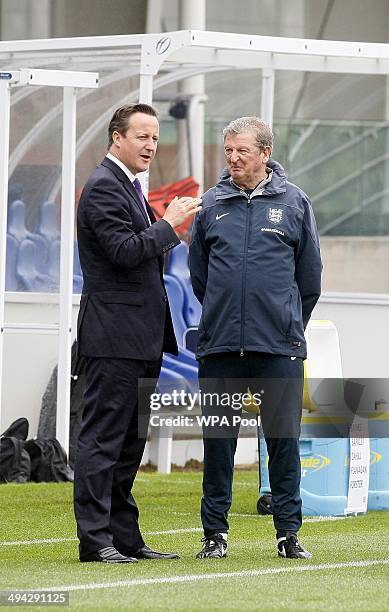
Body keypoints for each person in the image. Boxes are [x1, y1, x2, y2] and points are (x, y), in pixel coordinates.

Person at [189, 116, 322, 560]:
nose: (233, 158)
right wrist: (227, 319)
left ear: (265, 153)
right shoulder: (211, 204)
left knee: (283, 444)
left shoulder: (295, 203)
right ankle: (215, 535)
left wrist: (285, 325)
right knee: (219, 446)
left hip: (278, 348)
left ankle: (288, 533)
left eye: (242, 150)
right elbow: (200, 276)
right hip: (221, 347)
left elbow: (310, 280)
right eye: (228, 150)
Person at [74, 103, 201, 563]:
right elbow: (125, 252)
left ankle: (124, 537)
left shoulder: (129, 187)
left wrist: (166, 227)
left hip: (141, 337)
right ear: (117, 138)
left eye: (155, 136)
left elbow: (148, 255)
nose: (151, 145)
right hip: (113, 338)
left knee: (130, 443)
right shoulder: (104, 187)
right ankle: (95, 540)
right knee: (103, 439)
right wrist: (170, 224)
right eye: (143, 136)